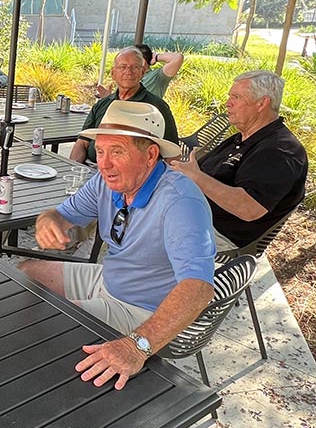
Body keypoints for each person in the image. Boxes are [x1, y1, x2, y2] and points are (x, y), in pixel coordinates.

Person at [20, 100, 215, 390]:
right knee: (25, 272)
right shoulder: (106, 181)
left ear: (150, 155)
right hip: (108, 280)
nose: (104, 163)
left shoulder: (179, 201)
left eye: (117, 152)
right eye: (100, 151)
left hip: (142, 309)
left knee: (54, 323)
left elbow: (199, 288)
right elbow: (60, 215)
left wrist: (138, 346)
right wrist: (47, 222)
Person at [170, 70, 307, 251]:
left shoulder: (280, 150)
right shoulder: (244, 138)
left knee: (135, 239)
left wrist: (197, 178)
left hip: (216, 236)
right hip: (192, 215)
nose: (228, 103)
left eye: (236, 97)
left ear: (262, 103)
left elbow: (248, 208)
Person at [70, 47, 178, 165]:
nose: (129, 71)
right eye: (122, 67)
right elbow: (82, 142)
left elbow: (173, 153)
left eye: (135, 67)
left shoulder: (156, 107)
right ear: (113, 73)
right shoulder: (103, 104)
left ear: (142, 73)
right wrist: (73, 167)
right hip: (93, 169)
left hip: (135, 177)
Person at [95, 44, 184, 100]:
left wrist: (156, 57)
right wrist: (108, 98)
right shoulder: (126, 75)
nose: (127, 70)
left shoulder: (157, 77)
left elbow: (177, 58)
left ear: (142, 61)